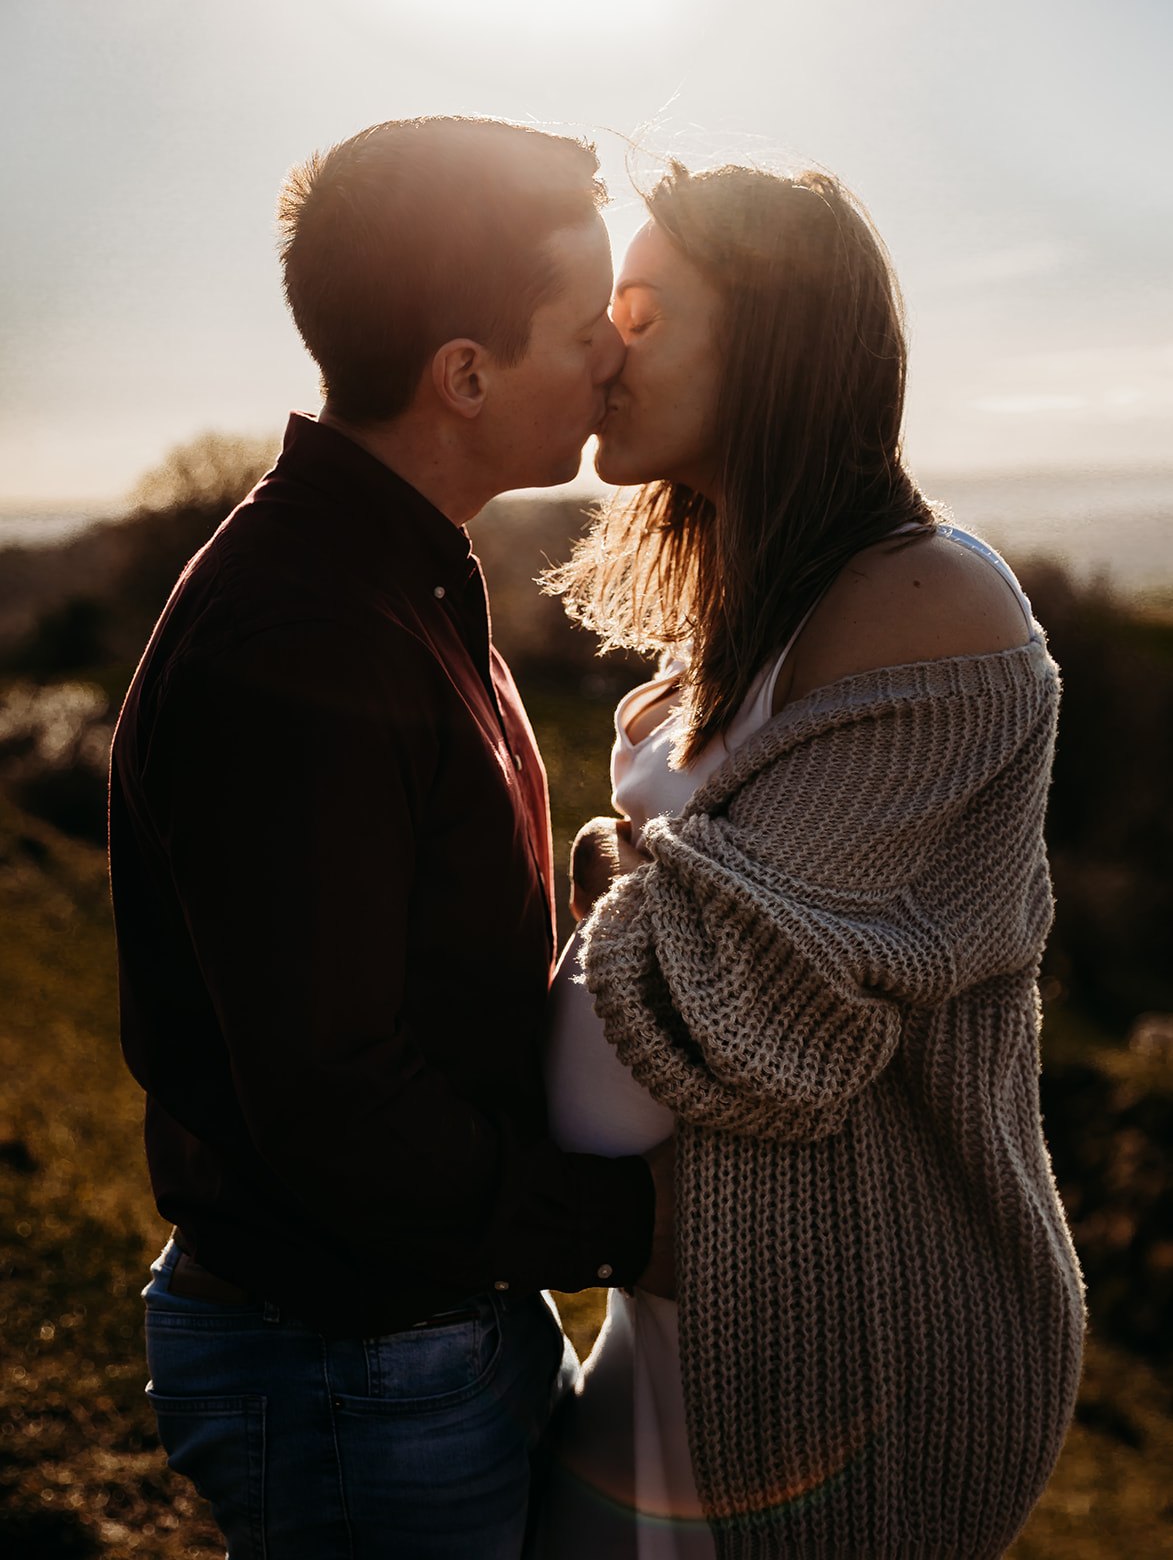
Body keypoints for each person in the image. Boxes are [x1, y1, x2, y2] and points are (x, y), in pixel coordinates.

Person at [107, 116, 669, 1559]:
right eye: (583, 324)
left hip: (416, 1330)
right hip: (352, 1364)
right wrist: (628, 1216)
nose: (614, 354)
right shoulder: (304, 638)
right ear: (464, 376)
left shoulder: (394, 578)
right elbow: (334, 1094)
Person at [535, 162, 1085, 1558]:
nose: (606, 345)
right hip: (678, 1316)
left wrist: (611, 876)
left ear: (777, 338)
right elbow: (684, 930)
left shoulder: (920, 601)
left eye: (648, 309)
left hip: (852, 1347)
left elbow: (756, 1023)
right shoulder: (744, 612)